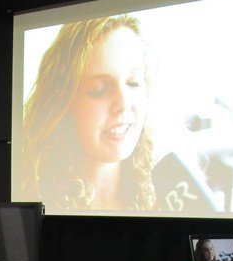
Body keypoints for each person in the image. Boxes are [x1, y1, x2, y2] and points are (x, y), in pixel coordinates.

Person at [21, 15, 218, 213]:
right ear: (63, 103)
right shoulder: (31, 198)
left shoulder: (168, 197)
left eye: (133, 83)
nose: (123, 104)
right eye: (99, 89)